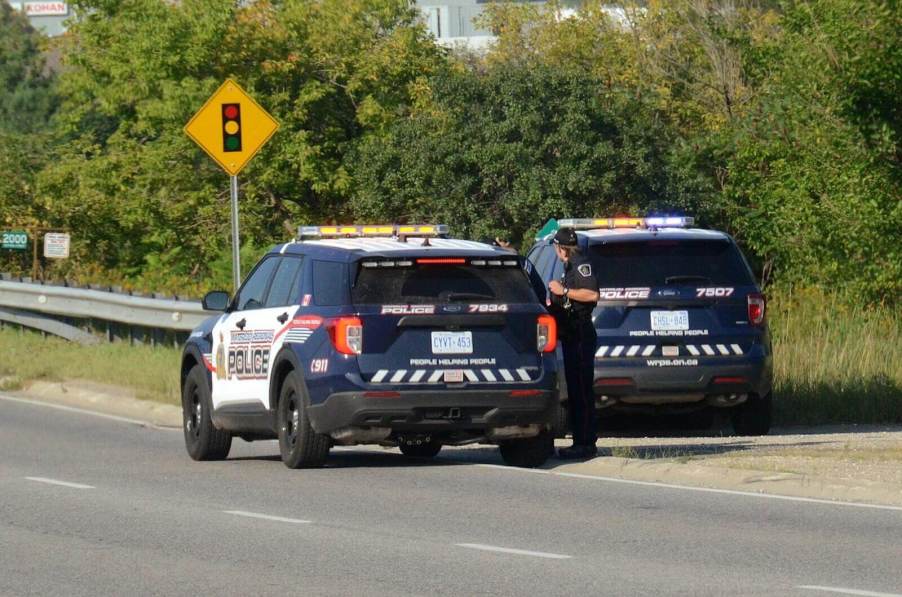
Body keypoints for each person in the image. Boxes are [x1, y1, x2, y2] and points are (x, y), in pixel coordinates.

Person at [547, 227, 600, 459]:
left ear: (561, 248)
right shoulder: (569, 265)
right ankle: (581, 440)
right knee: (576, 390)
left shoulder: (580, 264)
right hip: (571, 333)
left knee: (581, 390)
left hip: (580, 333)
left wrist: (564, 290)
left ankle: (585, 443)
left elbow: (592, 294)